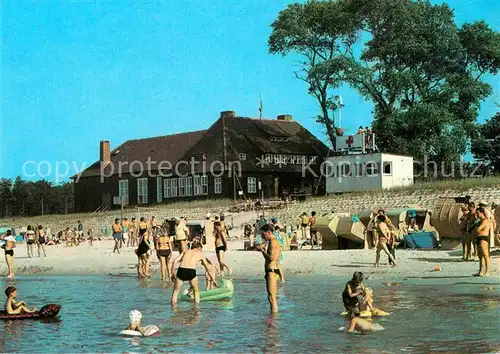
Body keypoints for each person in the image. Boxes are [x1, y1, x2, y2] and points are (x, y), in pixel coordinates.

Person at [256, 224, 281, 313]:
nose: (263, 236)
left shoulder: (273, 242)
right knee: (270, 297)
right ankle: (273, 317)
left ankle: (274, 319)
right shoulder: (272, 241)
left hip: (272, 271)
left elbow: (271, 258)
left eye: (264, 234)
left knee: (272, 297)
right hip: (271, 271)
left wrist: (262, 251)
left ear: (269, 233)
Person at [474, 207, 491, 277]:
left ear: (482, 213)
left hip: (483, 238)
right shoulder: (480, 221)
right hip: (479, 238)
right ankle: (481, 271)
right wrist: (477, 231)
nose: (477, 215)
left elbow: (478, 229)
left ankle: (488, 271)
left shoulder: (485, 221)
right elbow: (476, 230)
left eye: (478, 213)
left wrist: (478, 231)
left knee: (485, 255)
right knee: (480, 256)